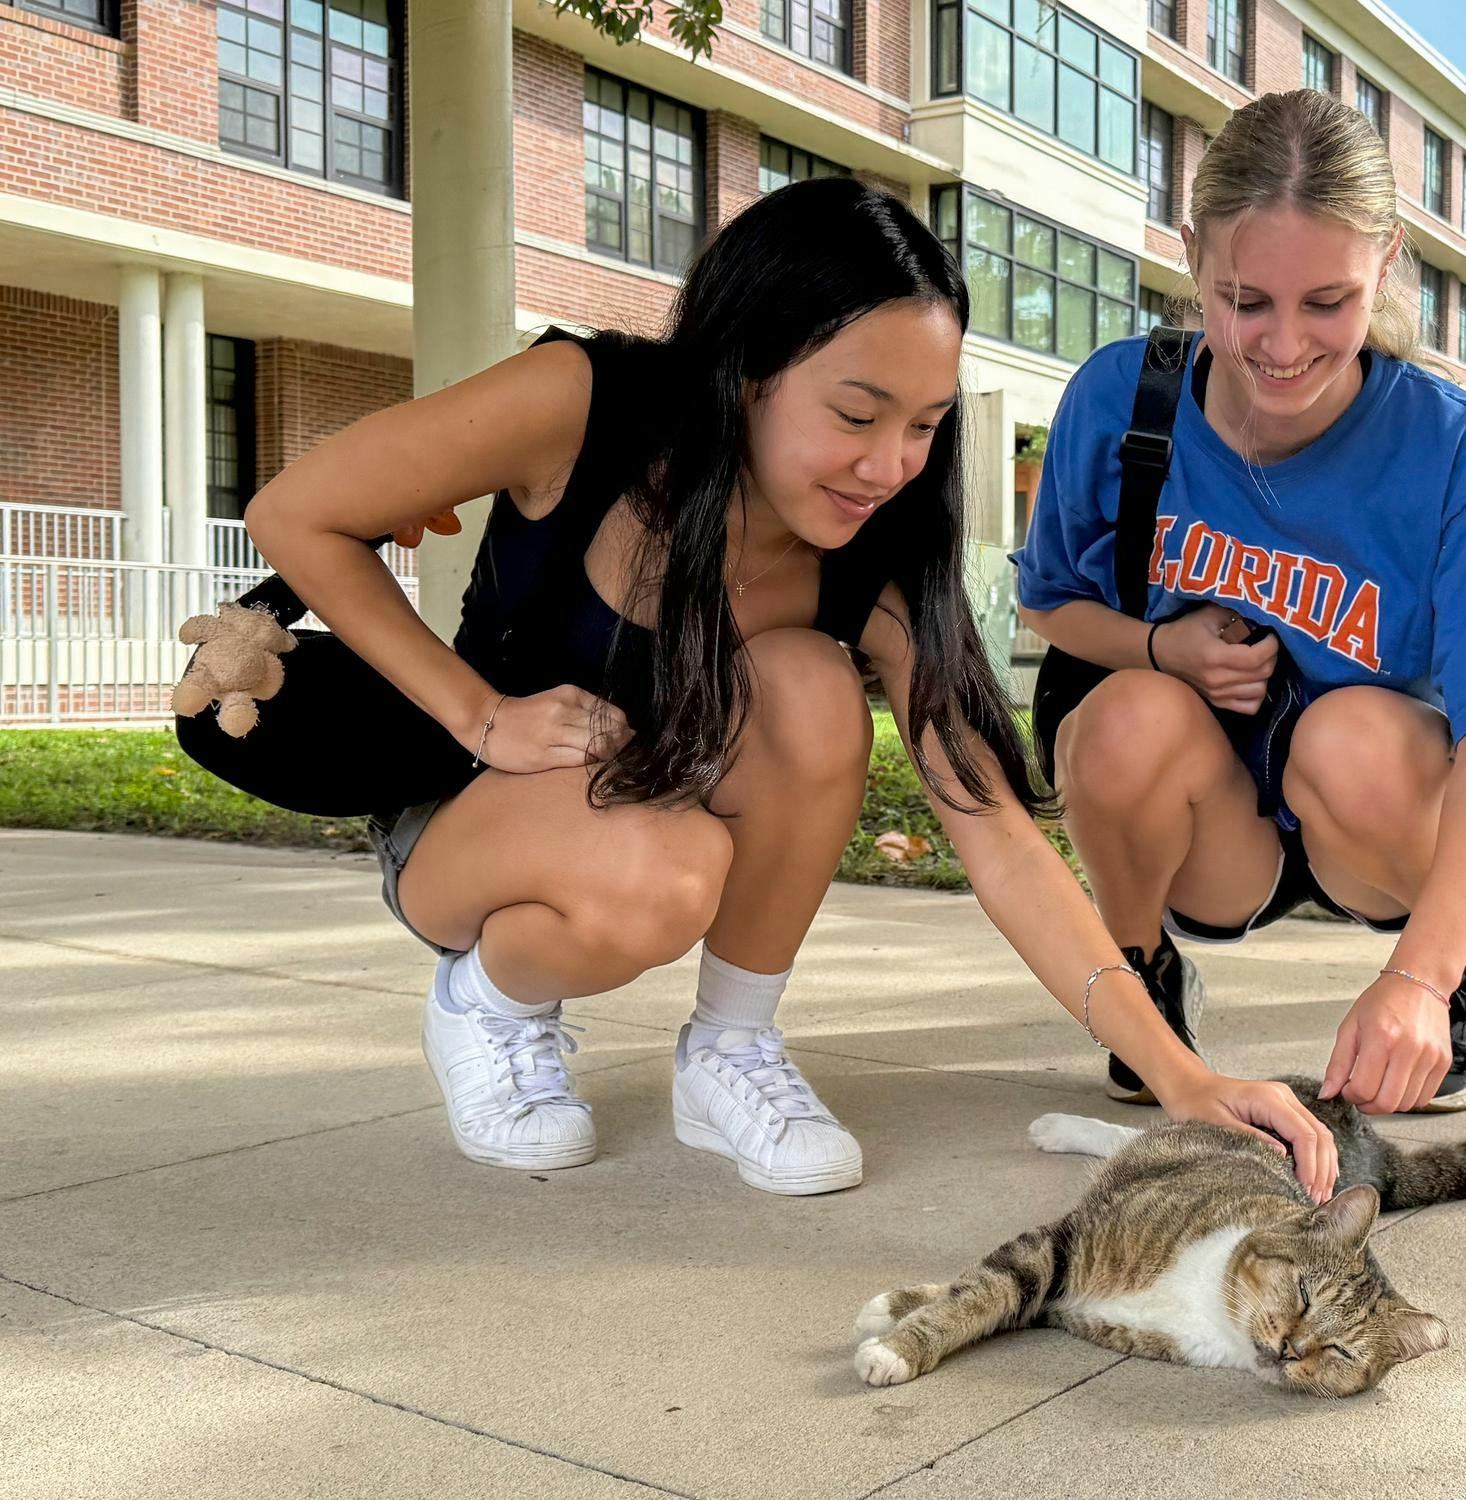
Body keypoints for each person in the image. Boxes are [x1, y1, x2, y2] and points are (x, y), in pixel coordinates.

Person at [177, 178, 1337, 1200]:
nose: (889, 465)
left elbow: (995, 835)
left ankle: (728, 1050)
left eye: (924, 427)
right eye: (853, 414)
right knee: (665, 868)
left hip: (648, 803)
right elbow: (295, 512)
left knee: (807, 687)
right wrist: (479, 712)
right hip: (471, 826)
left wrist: (1183, 1079)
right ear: (744, 373)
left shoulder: (873, 560)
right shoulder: (584, 402)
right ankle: (486, 1004)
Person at [1014, 91, 1466, 1118]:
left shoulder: (1457, 453)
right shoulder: (1116, 401)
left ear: (1386, 261)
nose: (1279, 345)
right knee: (1123, 715)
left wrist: (1418, 973)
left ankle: (1450, 967)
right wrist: (1159, 647)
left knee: (1350, 737)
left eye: (1325, 303)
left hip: (1365, 819)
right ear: (1189, 255)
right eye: (1244, 301)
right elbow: (1049, 603)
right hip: (1207, 823)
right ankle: (1144, 977)